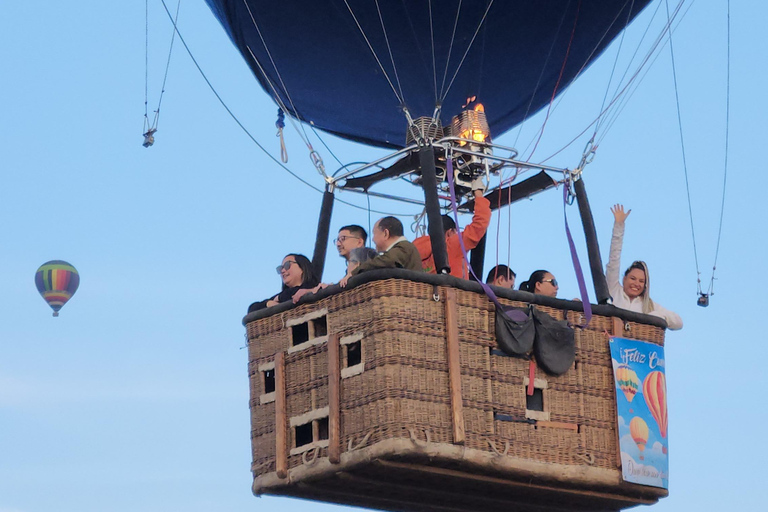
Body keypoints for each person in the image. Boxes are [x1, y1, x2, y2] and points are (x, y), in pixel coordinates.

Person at [607, 204, 683, 330]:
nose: (636, 283)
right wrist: (619, 226)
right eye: (632, 278)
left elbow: (679, 323)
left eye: (641, 281)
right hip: (615, 345)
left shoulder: (648, 305)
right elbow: (613, 260)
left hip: (636, 348)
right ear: (624, 279)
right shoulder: (614, 290)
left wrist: (655, 316)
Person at [413, 176, 491, 278]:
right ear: (450, 232)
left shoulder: (415, 249)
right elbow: (480, 224)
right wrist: (478, 193)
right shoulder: (451, 245)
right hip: (452, 292)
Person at [292, 225, 369, 303]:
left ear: (359, 242)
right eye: (337, 240)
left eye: (343, 239)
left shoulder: (368, 263)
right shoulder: (351, 270)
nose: (338, 244)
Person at [340, 216, 422, 287]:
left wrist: (354, 272)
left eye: (374, 233)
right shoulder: (403, 248)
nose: (373, 239)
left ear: (385, 233)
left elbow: (386, 260)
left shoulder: (404, 247)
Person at [248, 254, 319, 313]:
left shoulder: (314, 289)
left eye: (287, 265)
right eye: (280, 268)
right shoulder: (284, 295)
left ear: (302, 268)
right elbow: (252, 308)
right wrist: (268, 303)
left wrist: (278, 298)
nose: (283, 271)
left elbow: (294, 294)